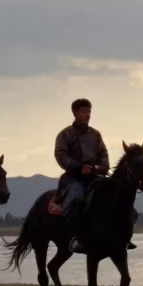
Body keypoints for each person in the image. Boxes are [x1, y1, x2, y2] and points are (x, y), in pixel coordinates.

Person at [55, 99, 110, 254]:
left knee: (114, 194)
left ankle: (119, 236)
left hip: (95, 176)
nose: (87, 115)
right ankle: (78, 238)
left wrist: (100, 167)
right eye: (84, 112)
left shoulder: (95, 134)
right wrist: (79, 167)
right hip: (73, 177)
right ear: (75, 113)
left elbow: (103, 154)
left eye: (89, 112)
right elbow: (61, 155)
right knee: (77, 197)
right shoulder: (65, 134)